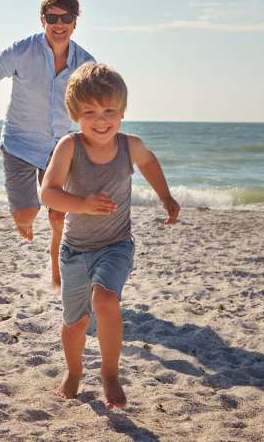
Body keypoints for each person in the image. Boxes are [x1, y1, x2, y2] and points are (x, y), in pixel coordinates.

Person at [40, 62, 180, 409]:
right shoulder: (69, 147)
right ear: (75, 114)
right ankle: (73, 372)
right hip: (75, 251)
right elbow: (48, 193)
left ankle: (110, 373)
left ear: (122, 111)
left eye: (109, 111)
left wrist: (165, 196)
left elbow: (149, 163)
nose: (101, 120)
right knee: (75, 322)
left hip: (116, 245)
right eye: (89, 113)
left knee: (106, 302)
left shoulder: (129, 145)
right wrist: (82, 204)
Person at [0, 0, 95, 286]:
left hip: (60, 147)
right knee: (27, 214)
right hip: (19, 145)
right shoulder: (21, 51)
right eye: (52, 17)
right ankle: (24, 217)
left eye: (66, 17)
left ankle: (57, 274)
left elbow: (97, 104)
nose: (59, 23)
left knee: (59, 218)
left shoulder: (87, 64)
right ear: (43, 20)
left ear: (75, 22)